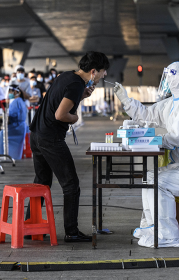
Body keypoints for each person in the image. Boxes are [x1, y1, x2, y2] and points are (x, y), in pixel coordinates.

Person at [114, 61, 179, 248]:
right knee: (149, 177)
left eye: (169, 77)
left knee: (160, 183)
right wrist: (126, 100)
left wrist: (151, 140)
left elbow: (177, 138)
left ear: (177, 78)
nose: (167, 81)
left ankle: (169, 236)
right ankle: (152, 226)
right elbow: (147, 113)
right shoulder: (173, 102)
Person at [28, 51, 108, 242]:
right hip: (51, 138)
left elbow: (57, 99)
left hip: (36, 134)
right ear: (94, 71)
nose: (104, 76)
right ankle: (71, 232)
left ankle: (31, 226)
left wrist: (80, 97)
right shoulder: (76, 84)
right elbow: (60, 115)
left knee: (41, 182)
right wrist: (75, 117)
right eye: (103, 72)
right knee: (71, 185)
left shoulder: (66, 76)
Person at [0, 85, 27, 160]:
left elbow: (12, 115)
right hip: (20, 127)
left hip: (16, 127)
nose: (8, 93)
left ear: (15, 92)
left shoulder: (16, 102)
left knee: (1, 134)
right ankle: (13, 157)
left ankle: (4, 157)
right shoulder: (20, 100)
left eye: (10, 91)